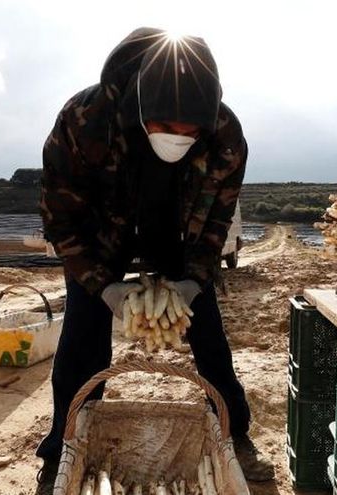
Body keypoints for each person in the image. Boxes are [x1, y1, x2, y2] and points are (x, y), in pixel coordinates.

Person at [35, 28, 274, 494]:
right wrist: (104, 287)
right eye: (169, 126)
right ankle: (61, 446)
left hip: (177, 236)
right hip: (103, 236)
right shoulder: (85, 121)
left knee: (207, 334)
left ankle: (234, 432)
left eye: (192, 130)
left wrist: (194, 280)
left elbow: (217, 219)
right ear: (141, 109)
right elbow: (60, 219)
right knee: (81, 341)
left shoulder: (224, 135)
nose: (181, 136)